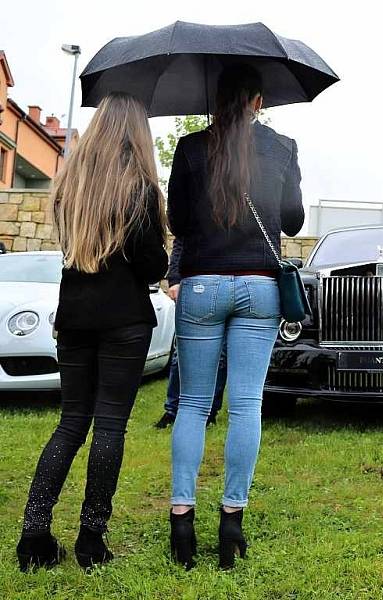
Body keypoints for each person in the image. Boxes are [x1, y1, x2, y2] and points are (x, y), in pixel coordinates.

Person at [16, 93, 168, 571]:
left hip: (74, 318)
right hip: (124, 320)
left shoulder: (69, 185)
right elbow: (152, 267)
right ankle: (91, 539)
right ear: (136, 133)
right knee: (109, 427)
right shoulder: (141, 189)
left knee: (69, 424)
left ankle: (33, 534)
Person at [167, 64, 304, 570]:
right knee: (246, 405)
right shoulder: (282, 147)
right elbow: (293, 220)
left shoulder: (190, 147)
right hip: (260, 286)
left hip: (201, 283)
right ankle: (231, 525)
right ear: (258, 102)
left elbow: (177, 222)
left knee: (194, 405)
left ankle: (182, 523)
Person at [154, 238, 227, 429]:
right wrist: (175, 280)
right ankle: (173, 409)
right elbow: (180, 241)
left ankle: (210, 411)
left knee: (219, 356)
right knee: (182, 352)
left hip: (222, 285)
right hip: (194, 285)